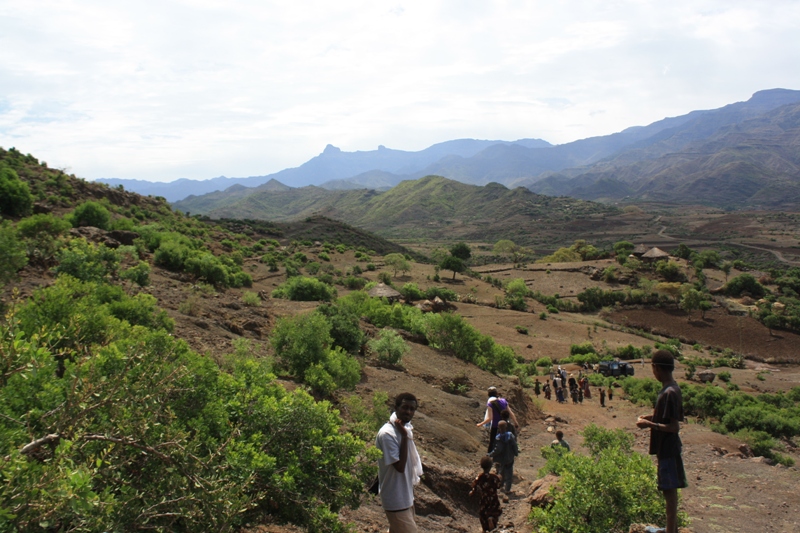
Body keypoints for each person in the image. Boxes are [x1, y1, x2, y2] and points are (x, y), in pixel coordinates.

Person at [637, 350, 687, 533]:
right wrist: (650, 417)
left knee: (670, 493)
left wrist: (649, 424)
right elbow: (666, 418)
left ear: (656, 368)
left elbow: (674, 427)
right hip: (666, 449)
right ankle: (670, 529)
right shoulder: (671, 389)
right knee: (668, 491)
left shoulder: (669, 393)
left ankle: (670, 530)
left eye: (653, 368)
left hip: (669, 449)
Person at [376, 393, 424, 533]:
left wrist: (404, 434)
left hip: (405, 497)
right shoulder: (388, 433)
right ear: (396, 407)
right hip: (395, 498)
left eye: (412, 409)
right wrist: (403, 437)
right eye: (405, 407)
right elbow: (400, 467)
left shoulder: (405, 429)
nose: (408, 412)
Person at [476, 387, 518, 453]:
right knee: (509, 440)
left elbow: (490, 418)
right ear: (496, 393)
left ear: (488, 395)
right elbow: (511, 413)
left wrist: (480, 424)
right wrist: (516, 423)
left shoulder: (490, 404)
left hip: (496, 426)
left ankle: (489, 457)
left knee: (492, 443)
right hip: (505, 424)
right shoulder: (504, 401)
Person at [469, 456, 503, 532]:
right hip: (493, 499)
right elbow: (498, 486)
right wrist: (500, 478)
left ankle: (484, 529)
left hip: (484, 499)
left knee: (483, 514)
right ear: (491, 466)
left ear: (481, 466)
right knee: (495, 511)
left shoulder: (479, 477)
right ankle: (492, 520)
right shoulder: (494, 477)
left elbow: (474, 487)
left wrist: (472, 492)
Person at [489, 420, 518, 494]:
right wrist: (516, 452)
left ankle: (500, 485)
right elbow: (514, 445)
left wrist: (491, 454)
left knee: (501, 472)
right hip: (509, 457)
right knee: (509, 473)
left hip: (501, 459)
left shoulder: (498, 437)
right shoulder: (510, 435)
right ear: (506, 427)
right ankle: (507, 489)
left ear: (498, 427)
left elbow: (497, 449)